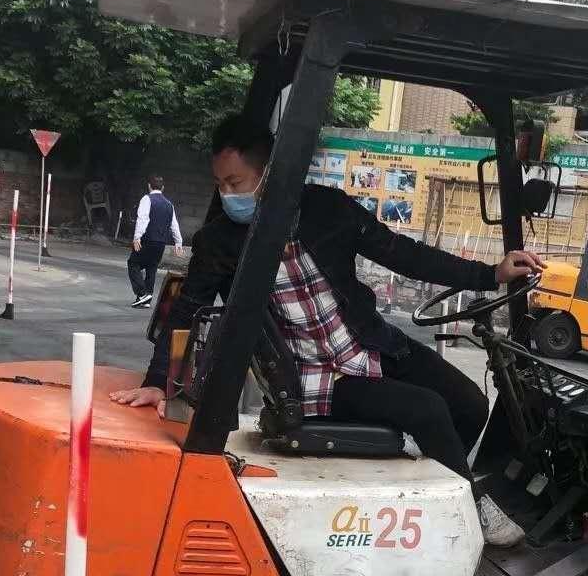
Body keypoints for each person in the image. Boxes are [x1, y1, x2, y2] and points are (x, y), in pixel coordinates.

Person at [111, 114, 544, 547]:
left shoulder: (327, 210)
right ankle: (467, 509)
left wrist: (490, 274)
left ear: (270, 173)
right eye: (220, 185)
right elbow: (187, 310)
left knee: (470, 404)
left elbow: (402, 253)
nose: (227, 195)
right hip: (312, 378)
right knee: (427, 410)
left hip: (368, 345)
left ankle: (433, 492)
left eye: (235, 182)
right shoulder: (220, 242)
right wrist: (157, 381)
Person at [128, 176, 182, 309]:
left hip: (147, 239)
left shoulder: (147, 199)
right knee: (151, 268)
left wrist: (137, 237)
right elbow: (174, 225)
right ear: (162, 188)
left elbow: (143, 219)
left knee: (133, 263)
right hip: (161, 243)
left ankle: (142, 294)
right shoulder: (169, 204)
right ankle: (147, 299)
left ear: (149, 186)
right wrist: (178, 242)